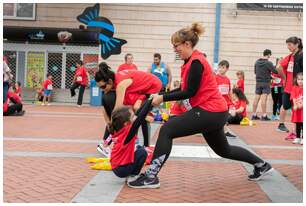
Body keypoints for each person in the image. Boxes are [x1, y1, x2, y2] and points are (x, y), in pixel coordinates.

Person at [128, 22, 273, 189]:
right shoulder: (190, 61)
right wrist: (161, 94)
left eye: (176, 46)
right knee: (223, 150)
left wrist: (162, 99)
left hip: (210, 111)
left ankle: (151, 176)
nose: (175, 50)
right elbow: (184, 88)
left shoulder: (197, 61)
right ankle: (262, 165)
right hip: (214, 112)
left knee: (167, 130)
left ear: (187, 44)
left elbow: (189, 91)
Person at [95, 62, 162, 156]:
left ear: (110, 81)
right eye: (100, 88)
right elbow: (104, 107)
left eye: (103, 87)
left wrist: (111, 125)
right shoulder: (113, 83)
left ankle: (145, 146)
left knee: (138, 112)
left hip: (152, 87)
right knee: (132, 113)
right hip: (139, 90)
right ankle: (106, 145)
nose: (102, 90)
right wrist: (109, 123)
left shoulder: (120, 85)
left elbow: (117, 110)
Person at [110, 99, 153, 182]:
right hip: (121, 169)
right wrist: (150, 102)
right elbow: (140, 118)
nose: (135, 117)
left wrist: (148, 101)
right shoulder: (127, 132)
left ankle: (130, 173)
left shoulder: (119, 129)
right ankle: (133, 176)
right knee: (142, 152)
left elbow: (138, 115)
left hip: (116, 166)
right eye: (133, 117)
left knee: (139, 148)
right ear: (126, 123)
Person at [276, 37, 303, 133]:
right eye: (287, 45)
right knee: (287, 106)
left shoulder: (301, 55)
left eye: (290, 45)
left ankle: (294, 129)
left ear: (296, 45)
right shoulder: (291, 56)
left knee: (295, 107)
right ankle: (282, 125)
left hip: (298, 88)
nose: (288, 47)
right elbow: (278, 67)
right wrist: (284, 78)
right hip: (289, 87)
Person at [251, 49, 278, 121]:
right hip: (265, 83)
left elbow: (256, 72)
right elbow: (275, 71)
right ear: (268, 54)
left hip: (258, 82)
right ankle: (264, 115)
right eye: (270, 55)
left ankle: (254, 114)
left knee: (256, 98)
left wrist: (269, 76)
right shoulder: (268, 63)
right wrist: (277, 66)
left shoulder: (257, 62)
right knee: (264, 99)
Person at [215, 60, 235, 137]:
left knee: (227, 116)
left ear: (227, 69)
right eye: (219, 67)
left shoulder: (227, 79)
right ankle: (223, 130)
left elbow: (229, 91)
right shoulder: (215, 77)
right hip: (218, 101)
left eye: (223, 67)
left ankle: (225, 130)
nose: (220, 69)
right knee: (220, 116)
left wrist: (232, 100)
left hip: (226, 101)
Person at [290, 72, 303, 145]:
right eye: (299, 79)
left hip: (302, 110)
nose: (300, 81)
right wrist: (295, 105)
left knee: (303, 123)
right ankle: (298, 137)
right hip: (297, 110)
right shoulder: (294, 88)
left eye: (302, 79)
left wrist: (302, 105)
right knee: (298, 123)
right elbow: (294, 97)